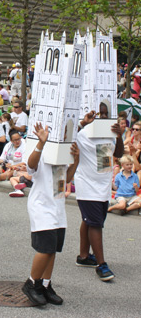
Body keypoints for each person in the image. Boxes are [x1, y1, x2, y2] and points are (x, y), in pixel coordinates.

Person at [22, 123, 80, 306]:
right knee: (45, 248)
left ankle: (45, 285)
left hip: (57, 204)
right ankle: (32, 283)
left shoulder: (63, 150)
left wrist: (76, 160)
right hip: (41, 204)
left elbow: (67, 178)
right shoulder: (39, 145)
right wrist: (41, 143)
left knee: (53, 248)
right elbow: (30, 166)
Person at [74, 106, 124, 281]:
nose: (102, 116)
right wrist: (83, 123)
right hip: (87, 185)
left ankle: (83, 256)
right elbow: (66, 136)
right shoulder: (83, 132)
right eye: (99, 113)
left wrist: (119, 135)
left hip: (103, 186)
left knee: (89, 220)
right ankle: (101, 265)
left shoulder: (109, 132)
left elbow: (118, 153)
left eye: (105, 114)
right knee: (95, 223)